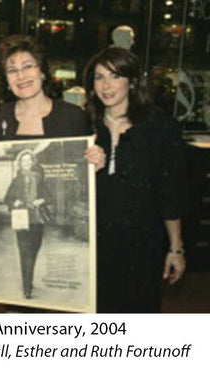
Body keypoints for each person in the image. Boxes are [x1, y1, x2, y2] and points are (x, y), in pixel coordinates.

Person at [0, 34, 105, 272]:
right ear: (5, 79)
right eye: (12, 70)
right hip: (20, 215)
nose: (21, 76)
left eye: (28, 66)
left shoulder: (72, 117)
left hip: (52, 213)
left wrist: (95, 162)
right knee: (24, 260)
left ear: (42, 71)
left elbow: (81, 177)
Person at [83, 47, 187, 313]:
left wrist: (176, 248)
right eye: (99, 77)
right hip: (95, 246)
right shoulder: (84, 126)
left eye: (115, 76)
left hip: (143, 246)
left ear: (131, 82)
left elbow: (170, 192)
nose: (106, 86)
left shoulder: (160, 127)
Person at [3, 149, 49, 299]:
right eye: (24, 161)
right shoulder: (16, 180)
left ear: (32, 162)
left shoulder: (39, 177)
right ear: (20, 163)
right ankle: (27, 287)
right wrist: (14, 202)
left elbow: (48, 195)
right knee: (25, 253)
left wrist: (41, 200)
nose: (27, 163)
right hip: (22, 219)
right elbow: (7, 199)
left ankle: (29, 279)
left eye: (29, 160)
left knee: (34, 250)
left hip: (37, 220)